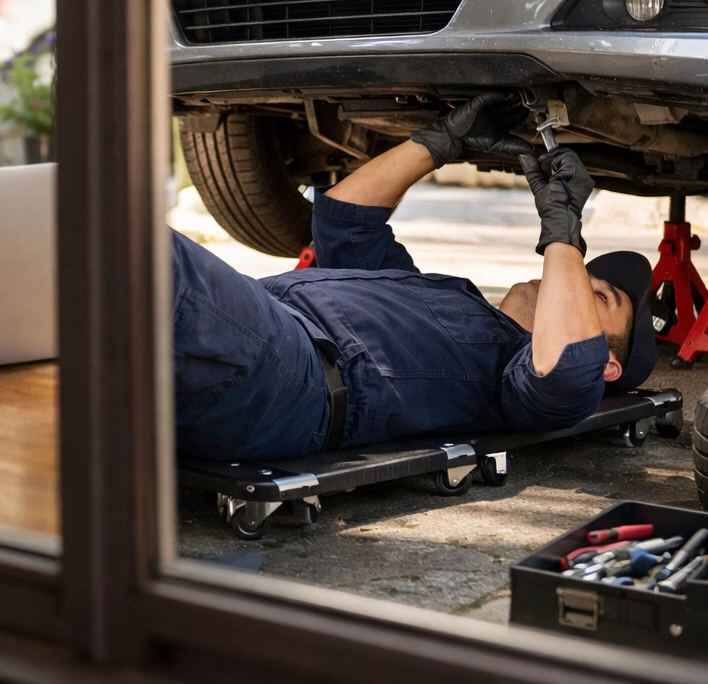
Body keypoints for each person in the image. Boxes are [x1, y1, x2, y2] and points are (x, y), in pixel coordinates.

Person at [173, 93, 662, 461]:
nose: (570, 283)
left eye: (599, 295)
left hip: (290, 372)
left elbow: (568, 366)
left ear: (608, 368)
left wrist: (565, 236)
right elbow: (345, 217)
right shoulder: (457, 304)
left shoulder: (527, 384)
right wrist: (444, 139)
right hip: (255, 337)